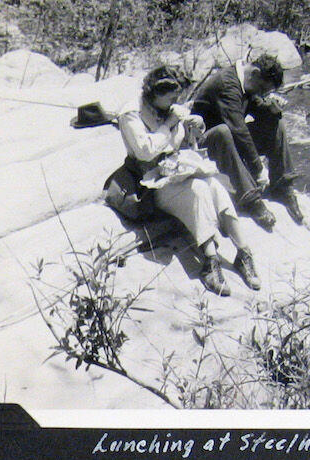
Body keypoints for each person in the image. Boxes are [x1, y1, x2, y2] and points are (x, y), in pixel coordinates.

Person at [109, 65, 263, 296]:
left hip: (177, 172)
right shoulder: (131, 113)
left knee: (215, 187)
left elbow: (183, 143)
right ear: (156, 92)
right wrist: (169, 124)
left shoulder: (172, 109)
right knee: (199, 189)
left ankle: (244, 253)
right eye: (172, 96)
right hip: (150, 183)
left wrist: (193, 130)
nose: (176, 101)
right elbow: (145, 151)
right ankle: (210, 261)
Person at [188, 52, 304, 229]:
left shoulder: (247, 81)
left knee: (276, 124)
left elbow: (257, 107)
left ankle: (282, 186)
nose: (261, 93)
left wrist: (273, 107)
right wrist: (258, 169)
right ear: (255, 73)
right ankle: (250, 199)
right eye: (262, 89)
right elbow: (238, 129)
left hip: (229, 142)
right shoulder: (227, 84)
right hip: (204, 145)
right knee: (223, 131)